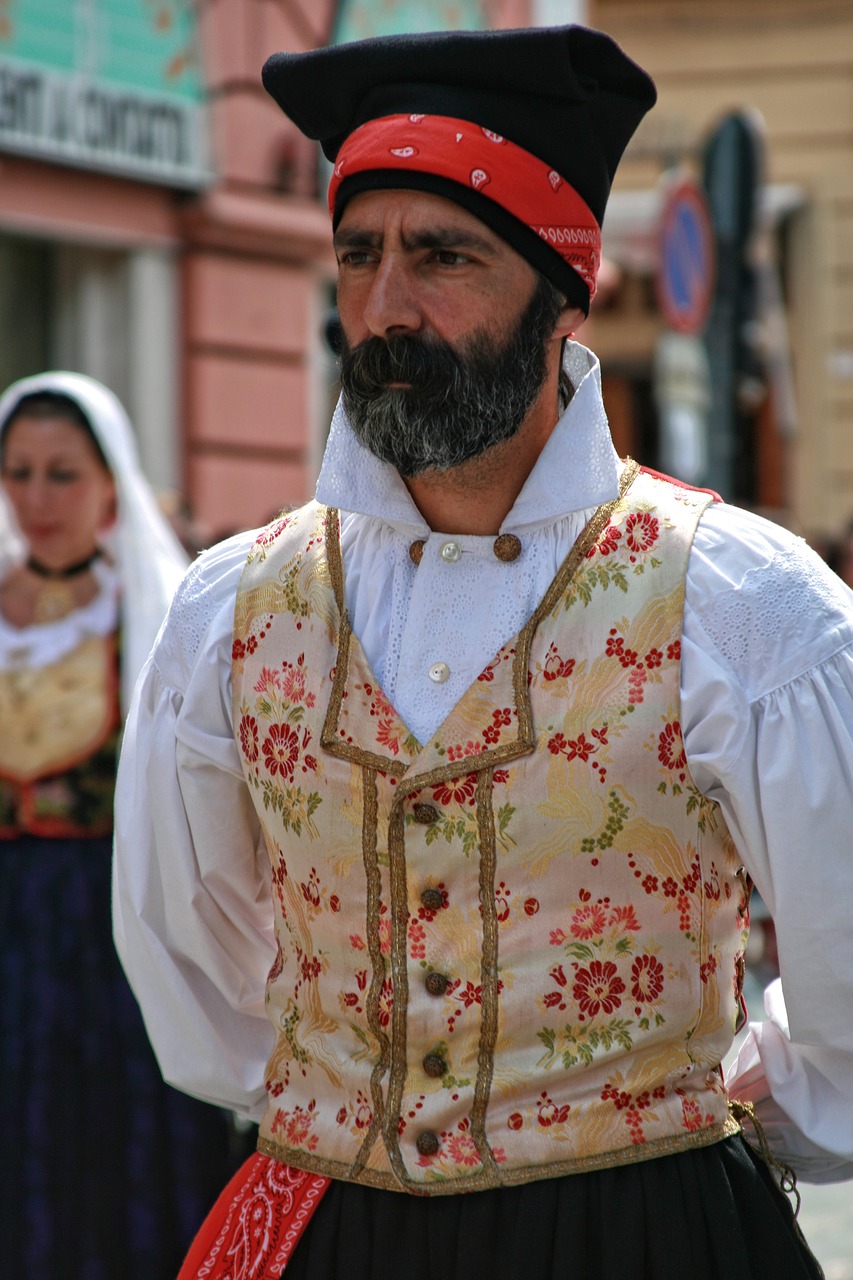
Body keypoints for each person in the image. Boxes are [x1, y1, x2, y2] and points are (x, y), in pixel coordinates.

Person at [113, 25, 853, 1280]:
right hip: (336, 1227)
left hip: (640, 1233)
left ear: (563, 289)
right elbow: (185, 953)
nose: (387, 305)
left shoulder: (738, 597)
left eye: (443, 255)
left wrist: (691, 1119)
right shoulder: (234, 605)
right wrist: (339, 1102)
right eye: (358, 254)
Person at [0, 372, 248, 1278]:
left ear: (111, 482)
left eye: (62, 473)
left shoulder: (147, 617)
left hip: (111, 927)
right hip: (8, 932)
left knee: (111, 1142)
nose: (37, 498)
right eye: (19, 472)